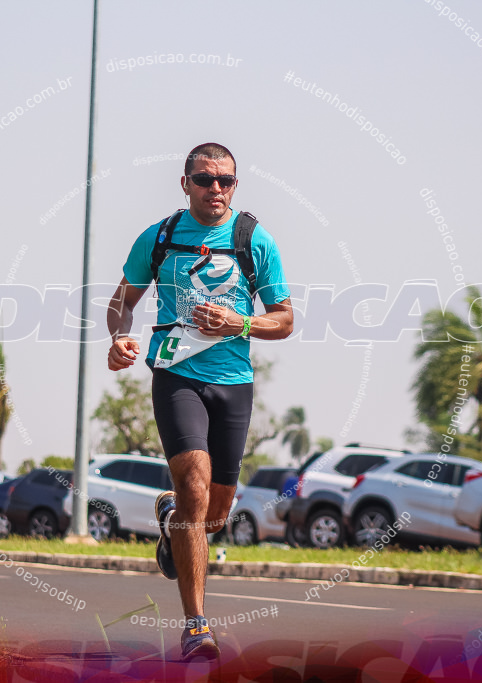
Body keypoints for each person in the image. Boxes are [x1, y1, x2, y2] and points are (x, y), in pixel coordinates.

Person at [107, 143, 293, 660]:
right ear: (184, 182)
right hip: (176, 374)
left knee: (211, 516)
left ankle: (172, 522)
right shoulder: (160, 237)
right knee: (192, 483)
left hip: (233, 381)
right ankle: (196, 626)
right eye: (205, 179)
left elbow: (285, 319)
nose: (216, 189)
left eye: (226, 181)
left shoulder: (254, 240)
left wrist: (242, 322)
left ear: (235, 185)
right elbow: (123, 300)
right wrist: (120, 337)